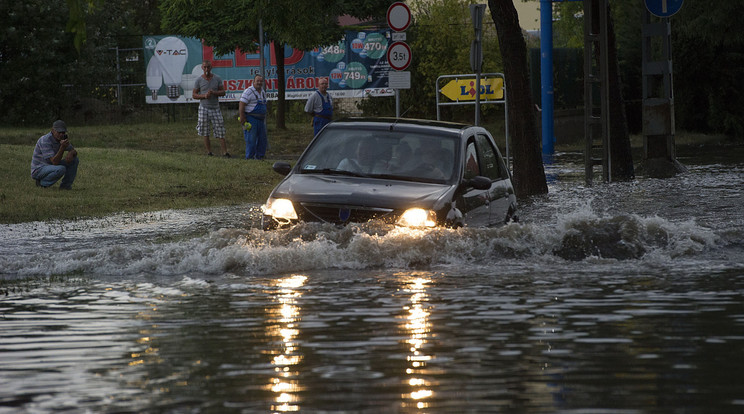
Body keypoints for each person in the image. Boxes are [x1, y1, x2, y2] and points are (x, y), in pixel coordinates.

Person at [193, 60, 229, 157]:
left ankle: (225, 152)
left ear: (211, 67)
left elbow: (223, 92)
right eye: (204, 67)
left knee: (220, 129)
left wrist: (214, 92)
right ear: (202, 68)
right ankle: (209, 152)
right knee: (205, 130)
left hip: (215, 107)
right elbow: (194, 95)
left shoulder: (217, 78)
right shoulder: (199, 80)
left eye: (208, 67)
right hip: (204, 108)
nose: (206, 69)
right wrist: (204, 96)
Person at [31, 120, 79, 190]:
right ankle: (42, 183)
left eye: (63, 132)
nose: (61, 134)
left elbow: (73, 151)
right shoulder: (45, 140)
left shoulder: (62, 138)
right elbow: (54, 162)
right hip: (39, 169)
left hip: (51, 166)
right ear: (52, 130)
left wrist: (71, 153)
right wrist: (62, 148)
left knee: (75, 160)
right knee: (61, 169)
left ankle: (65, 187)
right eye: (59, 132)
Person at [238, 75, 269, 159]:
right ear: (253, 82)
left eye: (260, 81)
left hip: (261, 120)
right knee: (251, 140)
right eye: (257, 81)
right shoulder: (248, 91)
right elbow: (241, 104)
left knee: (262, 140)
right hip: (251, 119)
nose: (259, 83)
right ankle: (249, 158)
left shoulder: (262, 91)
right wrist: (242, 117)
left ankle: (260, 157)